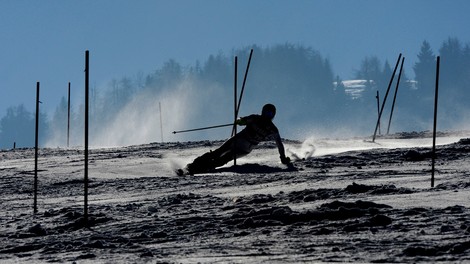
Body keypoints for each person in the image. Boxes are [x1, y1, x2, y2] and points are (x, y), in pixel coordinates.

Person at [180, 103, 291, 175]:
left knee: (225, 158)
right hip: (237, 139)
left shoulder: (273, 129)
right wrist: (240, 121)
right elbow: (242, 119)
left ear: (273, 115)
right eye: (266, 112)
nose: (268, 115)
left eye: (270, 113)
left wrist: (283, 158)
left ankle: (203, 169)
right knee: (217, 153)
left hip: (245, 149)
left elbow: (279, 144)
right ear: (263, 112)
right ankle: (192, 166)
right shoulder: (254, 118)